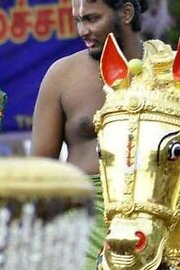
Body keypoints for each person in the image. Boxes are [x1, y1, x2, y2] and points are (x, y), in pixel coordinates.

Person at [30, 0, 148, 268]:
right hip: (83, 220)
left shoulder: (169, 69)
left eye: (92, 18)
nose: (83, 30)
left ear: (126, 13)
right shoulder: (61, 76)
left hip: (155, 215)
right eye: (78, 20)